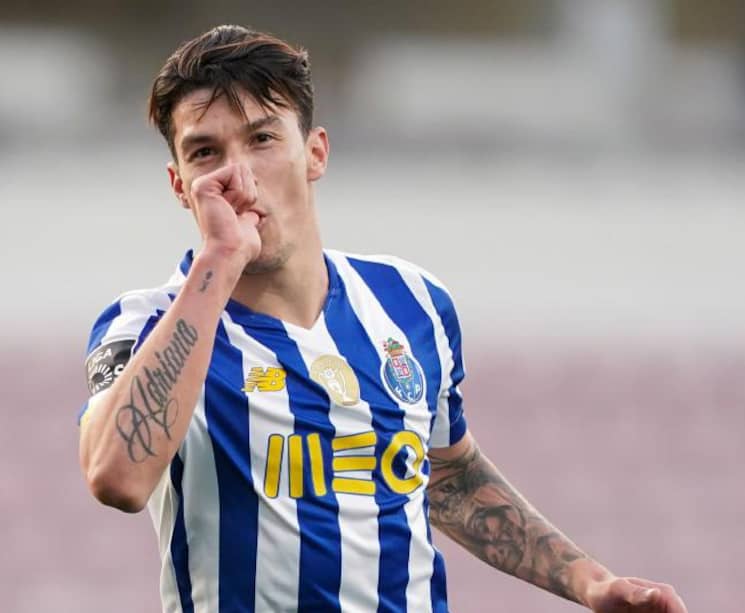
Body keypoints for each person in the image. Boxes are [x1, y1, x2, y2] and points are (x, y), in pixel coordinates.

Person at [78, 25, 688, 613]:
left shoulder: (410, 301)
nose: (237, 177)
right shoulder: (148, 324)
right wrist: (220, 260)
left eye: (262, 139)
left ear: (315, 153)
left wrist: (591, 582)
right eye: (206, 152)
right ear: (180, 186)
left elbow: (445, 475)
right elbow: (117, 478)